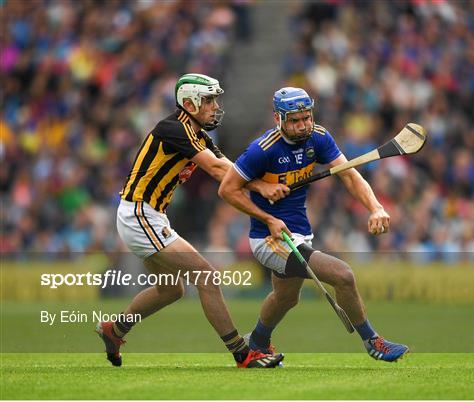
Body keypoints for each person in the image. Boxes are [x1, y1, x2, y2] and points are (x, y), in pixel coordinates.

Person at [96, 73, 285, 368]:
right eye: (208, 100)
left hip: (149, 215)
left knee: (171, 289)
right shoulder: (174, 128)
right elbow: (217, 169)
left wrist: (265, 183)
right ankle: (242, 353)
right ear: (189, 103)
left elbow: (232, 171)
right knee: (207, 277)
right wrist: (262, 187)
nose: (215, 106)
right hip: (139, 214)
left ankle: (115, 329)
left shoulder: (198, 134)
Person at [218, 87, 409, 362]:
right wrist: (266, 207)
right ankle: (373, 341)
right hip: (269, 237)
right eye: (294, 120)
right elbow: (227, 189)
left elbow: (350, 175)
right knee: (343, 275)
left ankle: (257, 343)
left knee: (286, 298)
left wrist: (376, 207)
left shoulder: (318, 137)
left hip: (298, 232)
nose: (303, 125)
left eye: (306, 117)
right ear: (278, 118)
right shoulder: (262, 149)